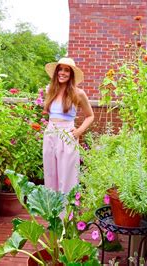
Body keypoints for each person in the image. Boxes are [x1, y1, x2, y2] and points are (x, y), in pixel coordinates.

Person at [43, 57, 94, 193]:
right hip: (50, 134)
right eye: (60, 69)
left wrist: (79, 131)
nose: (62, 73)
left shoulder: (78, 93)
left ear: (71, 74)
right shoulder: (50, 90)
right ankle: (52, 211)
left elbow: (90, 116)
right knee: (50, 174)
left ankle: (66, 213)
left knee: (67, 176)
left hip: (67, 135)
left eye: (66, 70)